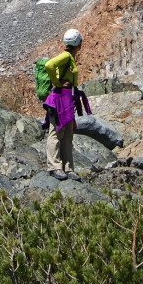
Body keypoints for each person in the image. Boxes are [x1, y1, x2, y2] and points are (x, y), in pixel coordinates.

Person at [44, 27, 90, 180]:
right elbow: (49, 65)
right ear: (78, 43)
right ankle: (55, 167)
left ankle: (68, 168)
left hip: (67, 98)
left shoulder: (70, 58)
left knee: (67, 134)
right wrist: (57, 82)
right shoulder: (65, 56)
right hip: (60, 98)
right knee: (56, 133)